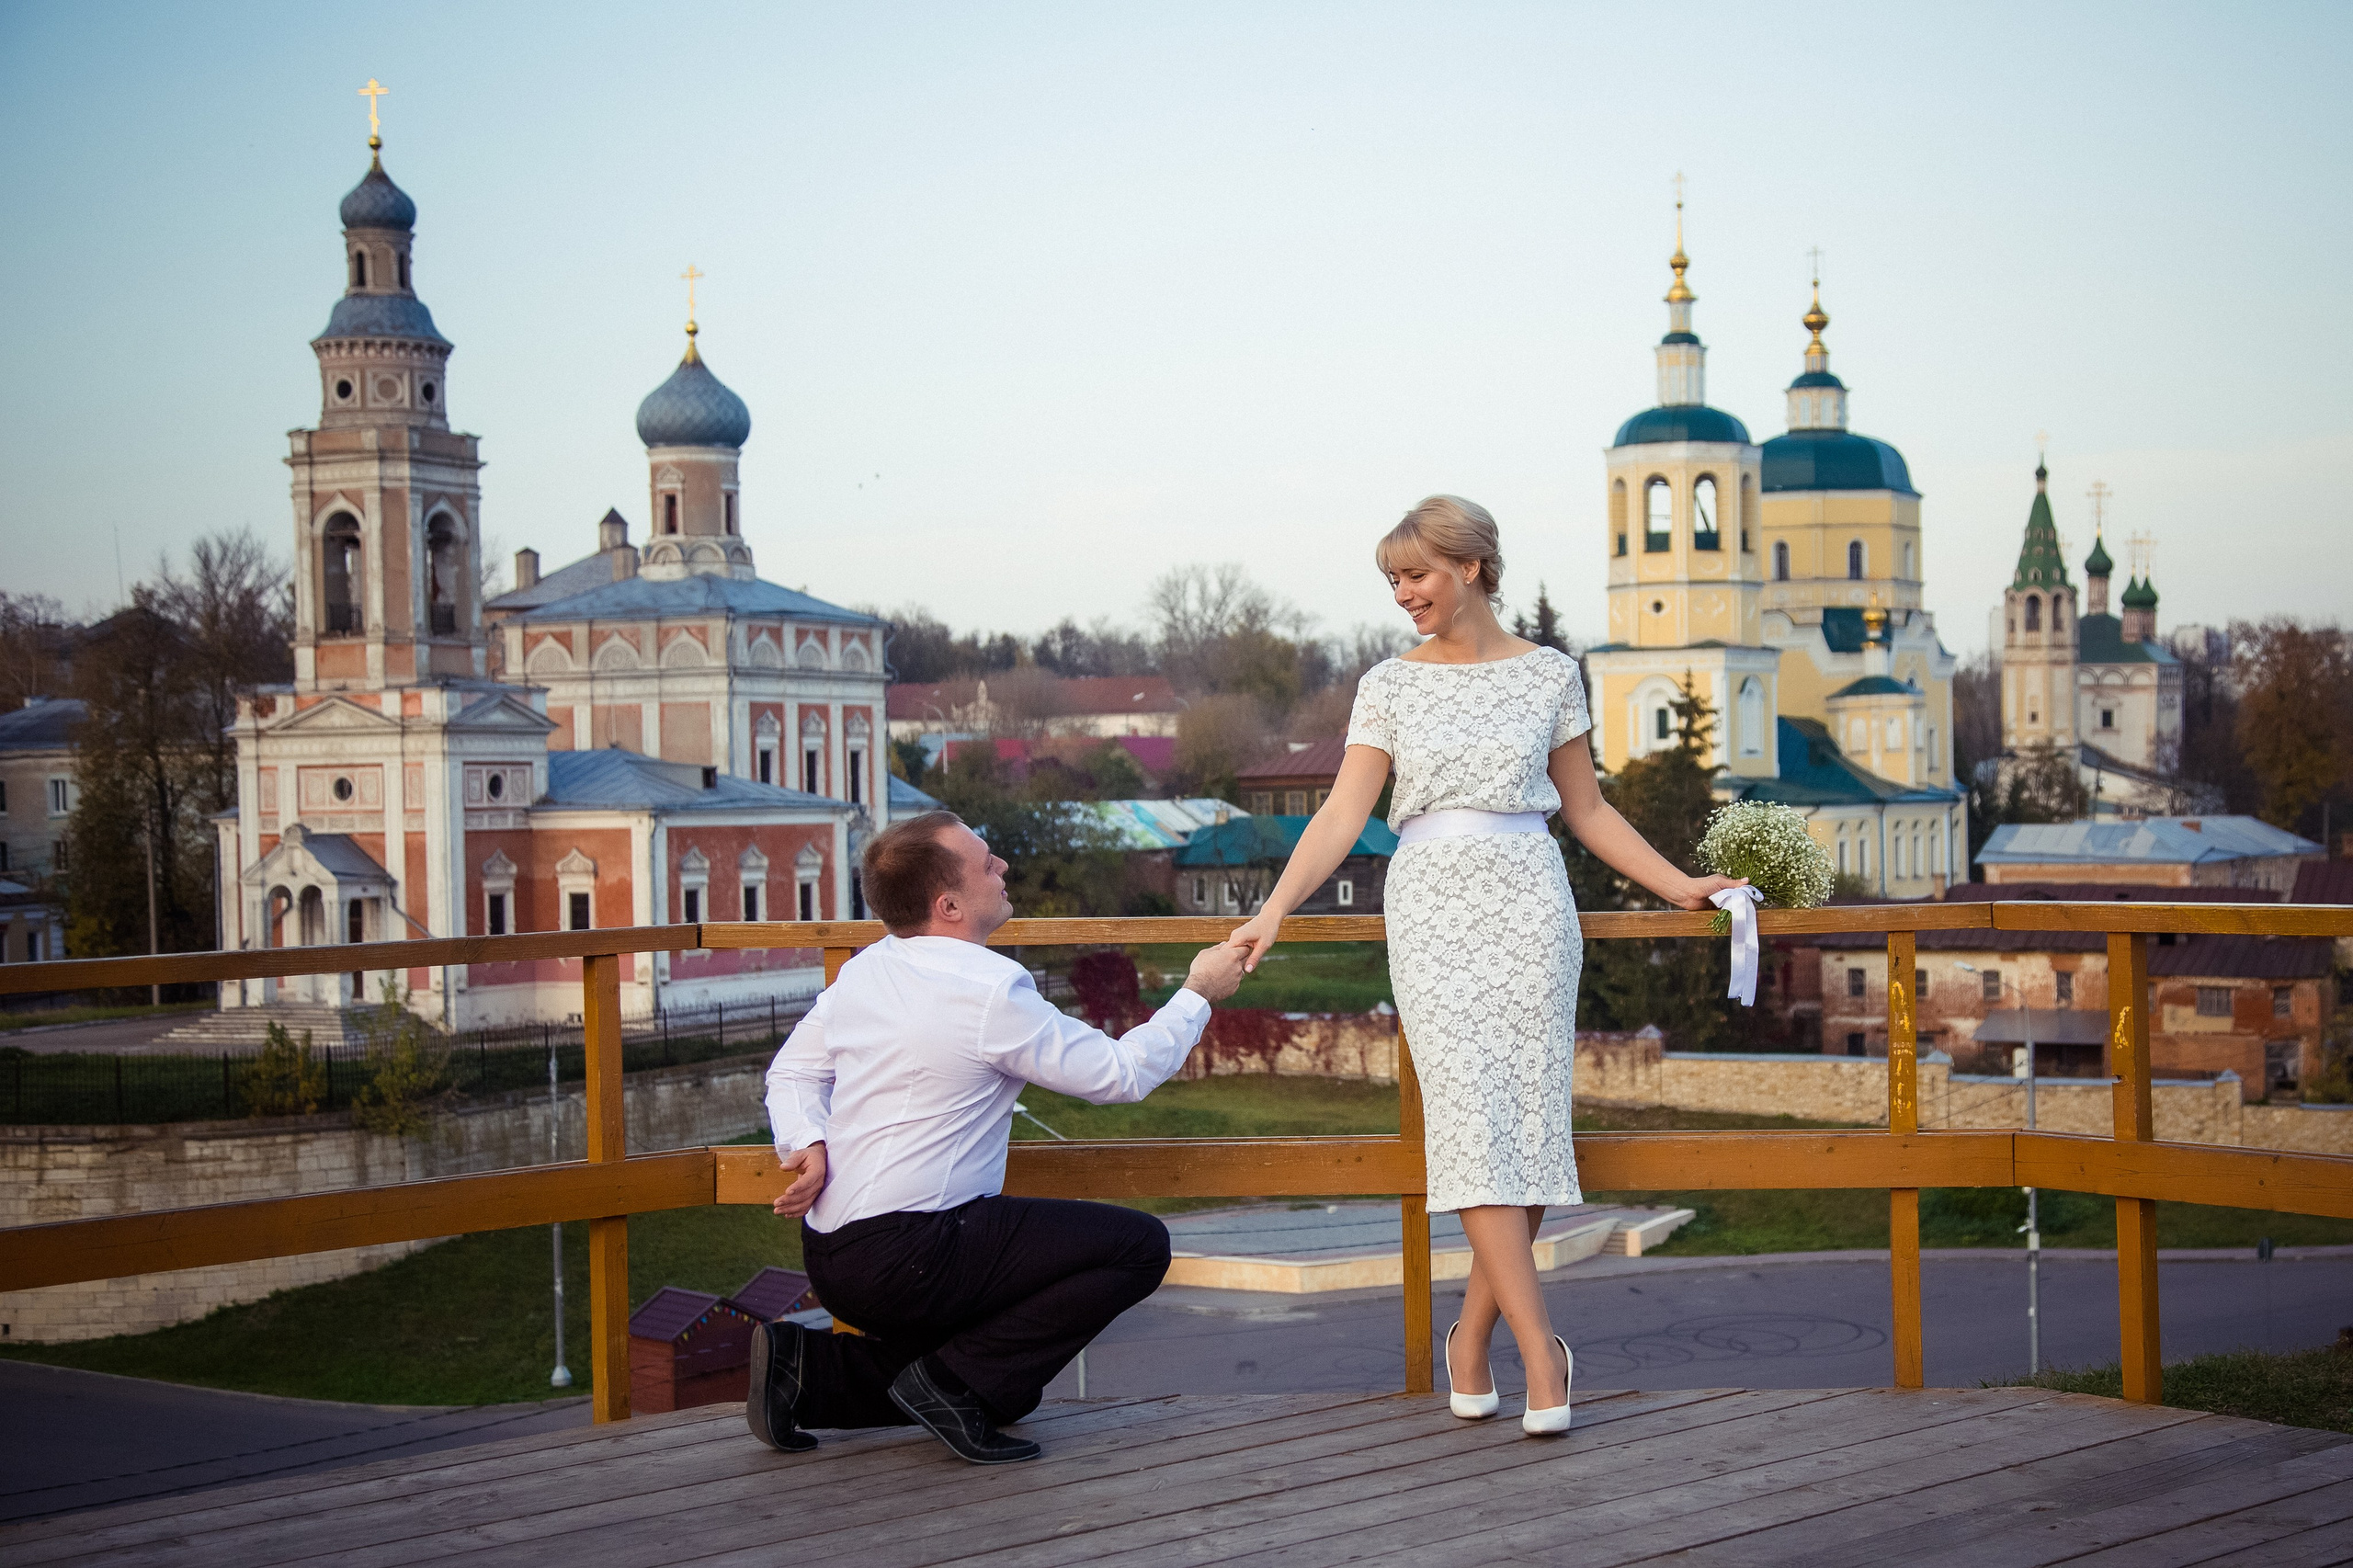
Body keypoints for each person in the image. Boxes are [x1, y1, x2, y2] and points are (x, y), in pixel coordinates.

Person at [1229, 495, 1745, 1436]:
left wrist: (1679, 885)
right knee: (1471, 1119)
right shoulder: (1388, 684)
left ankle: (1470, 1338)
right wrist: (1272, 910)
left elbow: (1587, 809)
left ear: (1470, 566)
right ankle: (1542, 1353)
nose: (1402, 593)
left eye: (1415, 574)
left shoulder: (1550, 673)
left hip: (1531, 905)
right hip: (1430, 907)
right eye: (1392, 579)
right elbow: (1341, 814)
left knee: (1528, 1126)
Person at [748, 810, 1249, 1464]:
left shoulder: (870, 967)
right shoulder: (988, 990)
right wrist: (1198, 993)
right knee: (1137, 1248)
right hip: (912, 1255)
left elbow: (790, 1072)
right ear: (949, 905)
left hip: (834, 1253)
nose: (1004, 867)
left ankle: (808, 1370)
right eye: (987, 864)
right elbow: (1120, 1074)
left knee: (1001, 1388)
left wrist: (807, 1141)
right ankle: (952, 1387)